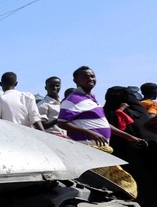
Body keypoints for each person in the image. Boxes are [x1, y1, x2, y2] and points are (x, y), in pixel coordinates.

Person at [58, 66, 146, 197]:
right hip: (88, 150)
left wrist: (129, 137)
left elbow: (105, 125)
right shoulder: (72, 99)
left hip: (102, 151)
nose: (90, 79)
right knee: (99, 187)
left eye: (92, 76)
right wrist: (90, 133)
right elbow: (62, 122)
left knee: (123, 183)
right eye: (85, 76)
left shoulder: (91, 100)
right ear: (75, 80)